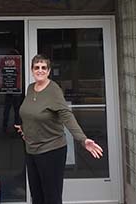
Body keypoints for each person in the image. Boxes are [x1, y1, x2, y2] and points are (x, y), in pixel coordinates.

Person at [15, 54, 103, 204]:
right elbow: (31, 113)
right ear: (31, 70)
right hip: (31, 150)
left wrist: (82, 139)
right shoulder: (31, 89)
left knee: (51, 197)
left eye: (44, 68)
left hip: (51, 150)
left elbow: (66, 116)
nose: (40, 70)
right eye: (37, 67)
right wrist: (25, 128)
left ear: (49, 71)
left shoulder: (53, 90)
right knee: (37, 195)